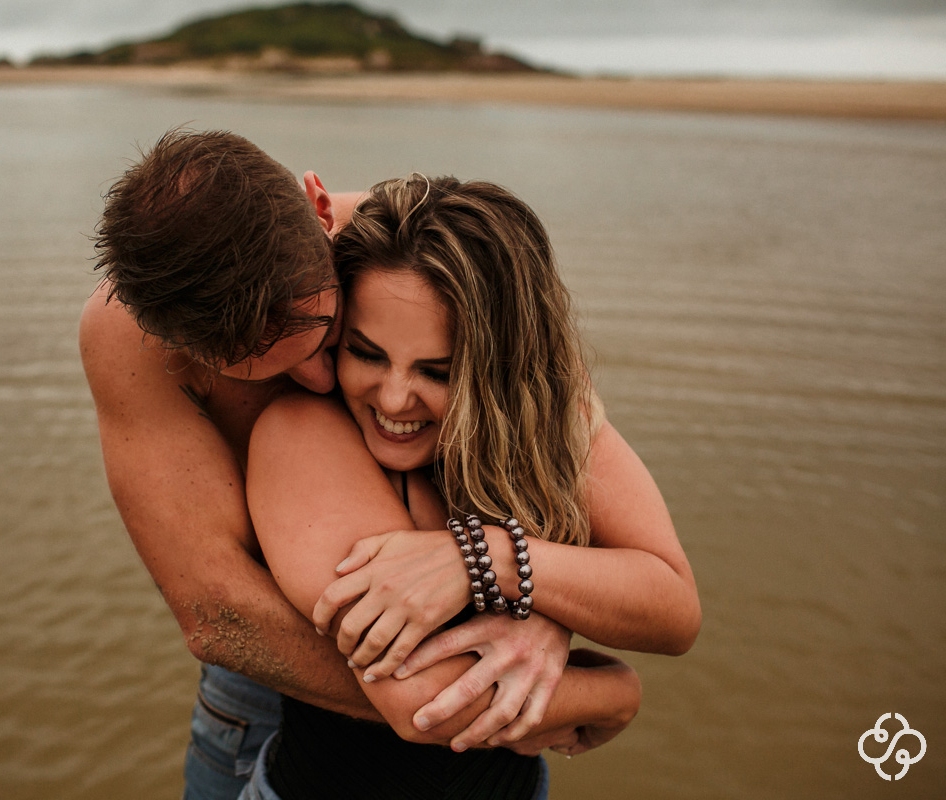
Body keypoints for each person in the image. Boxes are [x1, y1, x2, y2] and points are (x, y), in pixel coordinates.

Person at [80, 131, 617, 800]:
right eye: (258, 374)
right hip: (268, 667)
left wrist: (541, 620)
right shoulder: (126, 337)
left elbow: (554, 467)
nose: (316, 380)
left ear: (320, 208)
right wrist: (485, 705)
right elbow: (215, 610)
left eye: (330, 334)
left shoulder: (424, 257)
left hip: (460, 617)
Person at [242, 175, 701, 797]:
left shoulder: (542, 417)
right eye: (366, 353)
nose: (395, 398)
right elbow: (427, 703)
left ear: (501, 371)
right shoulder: (301, 436)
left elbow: (673, 609)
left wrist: (487, 557)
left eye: (438, 371)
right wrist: (617, 693)